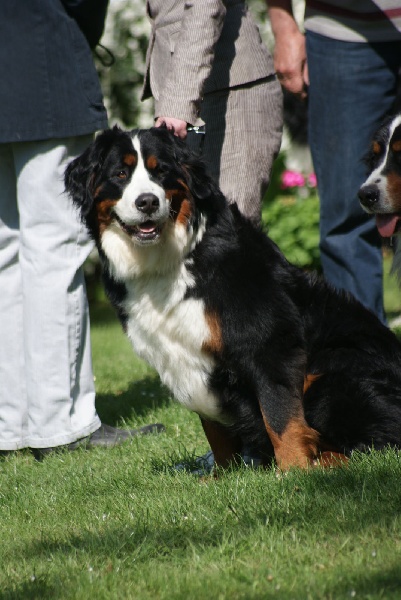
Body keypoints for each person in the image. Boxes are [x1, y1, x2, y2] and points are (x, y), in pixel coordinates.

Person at [0, 0, 164, 458]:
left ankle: (9, 426)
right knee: (52, 249)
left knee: (5, 253)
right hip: (39, 63)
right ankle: (61, 426)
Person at [267, 0, 401, 323]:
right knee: (345, 214)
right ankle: (362, 359)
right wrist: (284, 27)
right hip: (339, 29)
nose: (372, 181)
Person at [141, 0, 283, 224]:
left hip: (228, 90)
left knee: (230, 238)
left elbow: (205, 4)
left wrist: (178, 101)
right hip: (182, 94)